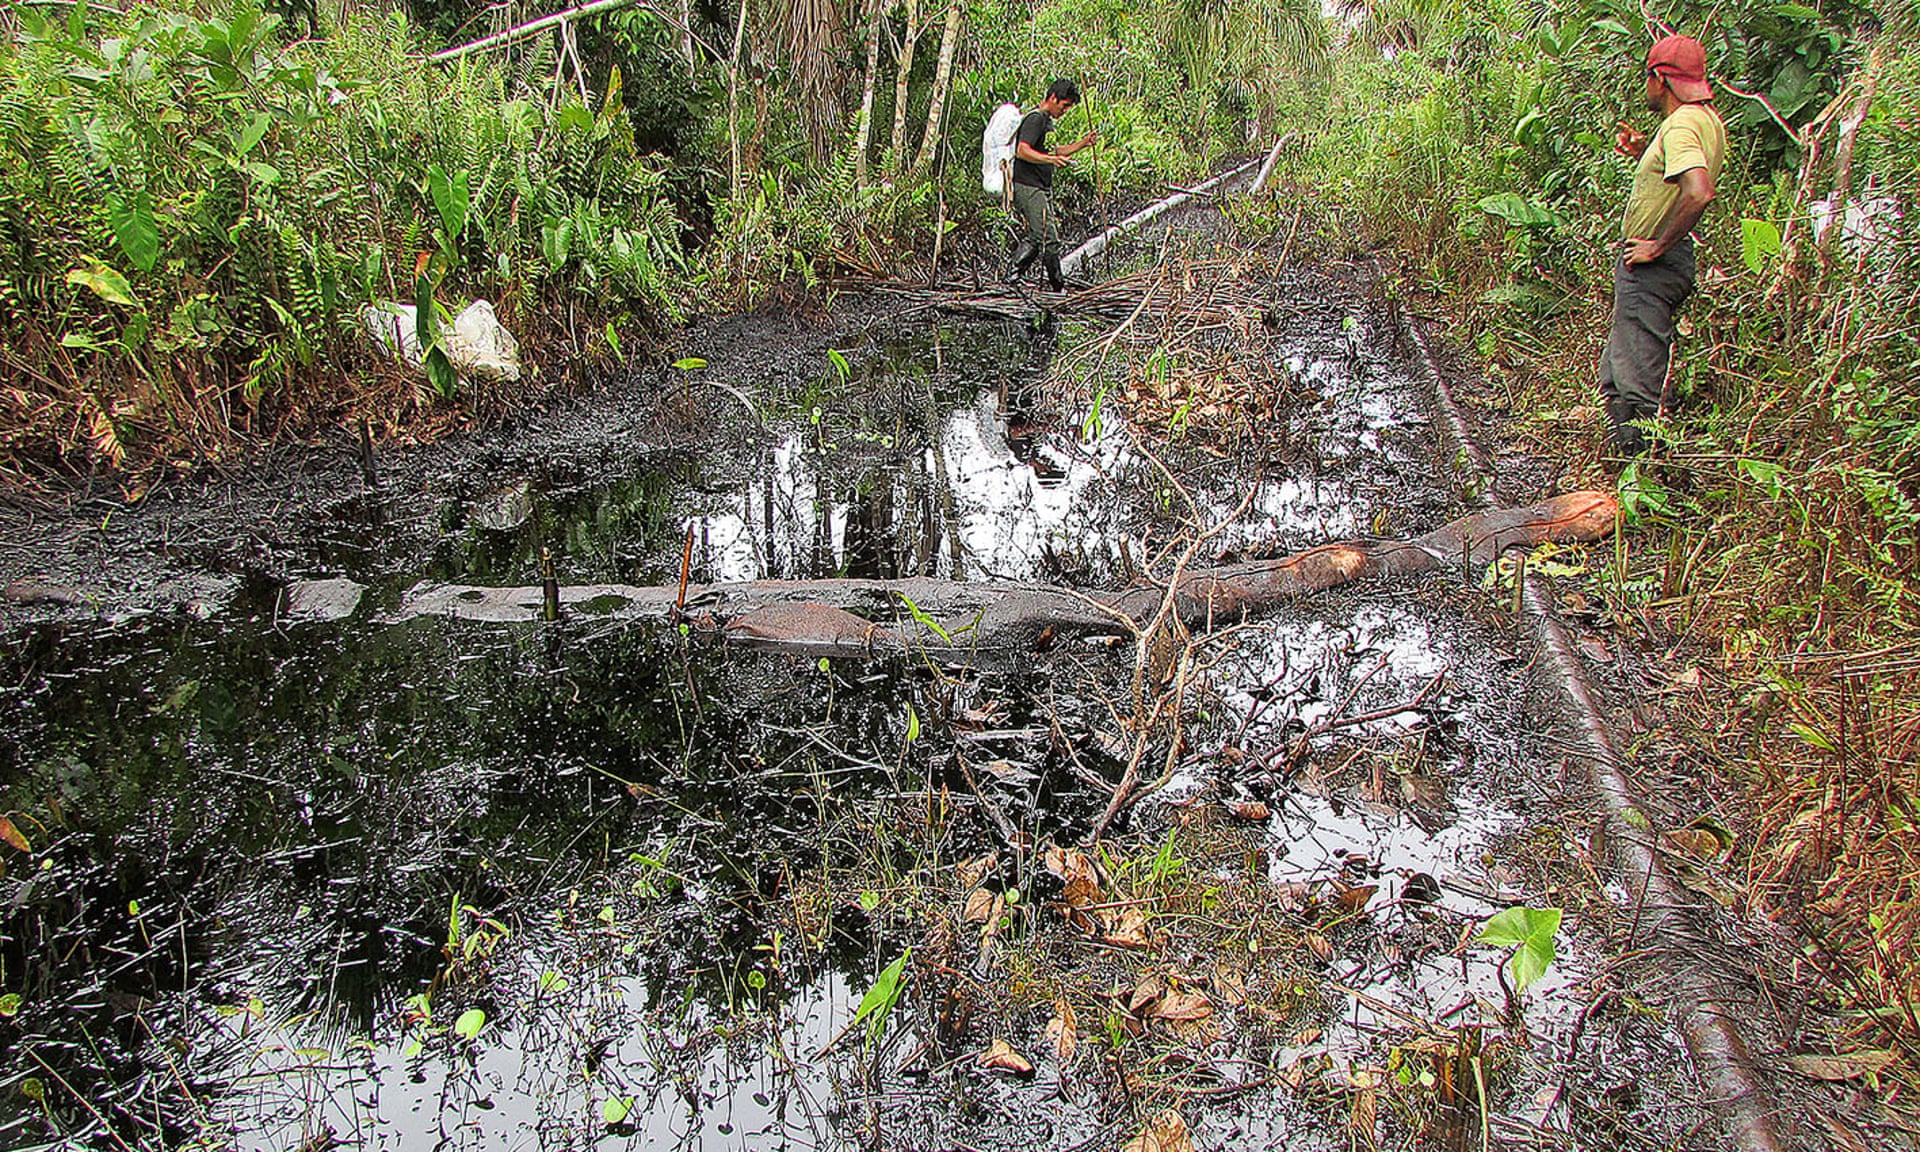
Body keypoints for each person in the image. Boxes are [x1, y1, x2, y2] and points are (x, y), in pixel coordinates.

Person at [1600, 35, 1725, 457]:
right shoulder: (1705, 120)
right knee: (1618, 372)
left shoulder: (1682, 125)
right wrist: (1644, 151)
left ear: (1660, 78)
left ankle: (1640, 484)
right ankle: (1623, 471)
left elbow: (1698, 191)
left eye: (1648, 78)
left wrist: (1656, 246)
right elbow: (1678, 179)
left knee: (1635, 383)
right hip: (1663, 261)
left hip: (1654, 264)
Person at [1006, 79, 1097, 291]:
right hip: (1028, 186)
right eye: (1064, 105)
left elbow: (1055, 151)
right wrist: (1050, 161)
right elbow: (1022, 150)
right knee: (1050, 239)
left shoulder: (1047, 122)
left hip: (1040, 187)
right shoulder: (1035, 119)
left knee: (1038, 237)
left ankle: (1012, 277)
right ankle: (1058, 287)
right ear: (1053, 98)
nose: (1064, 111)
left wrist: (1083, 143)